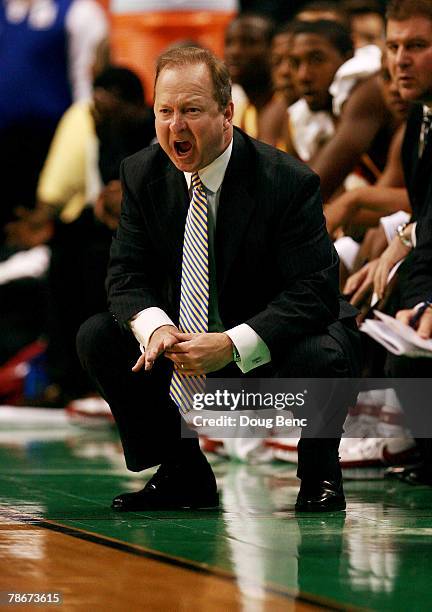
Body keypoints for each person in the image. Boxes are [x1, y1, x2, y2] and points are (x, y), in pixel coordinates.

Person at [77, 46, 360, 513]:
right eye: (164, 112)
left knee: (325, 352)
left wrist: (230, 343)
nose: (175, 126)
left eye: (191, 110)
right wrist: (158, 329)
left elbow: (313, 291)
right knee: (99, 337)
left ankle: (320, 474)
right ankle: (180, 470)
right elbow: (126, 274)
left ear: (227, 113)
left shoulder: (286, 181)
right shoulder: (141, 172)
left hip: (264, 343)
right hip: (184, 343)